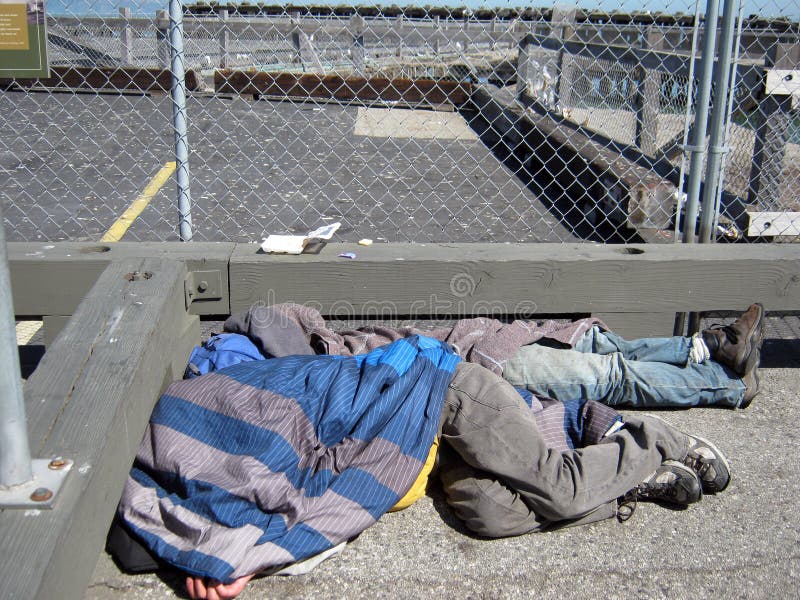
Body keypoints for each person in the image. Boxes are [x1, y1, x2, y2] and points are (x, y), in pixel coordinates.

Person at [503, 304, 764, 410]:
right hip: (480, 369)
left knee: (594, 341)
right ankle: (731, 385)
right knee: (611, 376)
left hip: (475, 339)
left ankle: (715, 345)